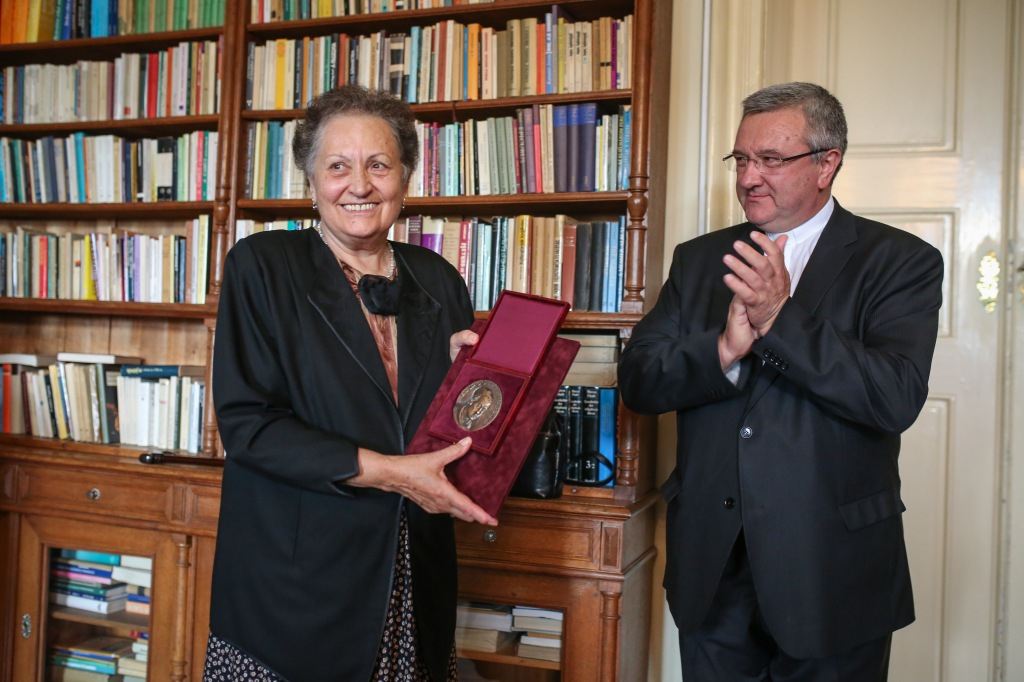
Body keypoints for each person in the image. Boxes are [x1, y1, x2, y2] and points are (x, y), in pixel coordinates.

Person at [618, 82, 943, 681]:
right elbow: (639, 379)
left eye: (770, 159)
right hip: (713, 570)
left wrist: (778, 318)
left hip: (832, 570)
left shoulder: (900, 260)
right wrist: (722, 350)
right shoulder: (699, 259)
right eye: (741, 159)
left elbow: (893, 396)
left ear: (827, 164)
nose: (749, 178)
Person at [204, 84, 497, 682]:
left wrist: (468, 381)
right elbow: (250, 428)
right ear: (311, 181)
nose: (359, 185)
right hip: (295, 590)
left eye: (378, 165)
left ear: (406, 178)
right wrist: (392, 473)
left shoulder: (440, 279)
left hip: (415, 581)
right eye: (338, 166)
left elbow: (448, 432)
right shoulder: (261, 265)